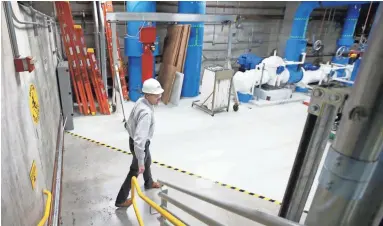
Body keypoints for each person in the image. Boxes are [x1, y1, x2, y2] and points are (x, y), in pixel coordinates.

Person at [115, 78, 164, 208]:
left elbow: (129, 123)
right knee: (135, 171)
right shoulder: (146, 113)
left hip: (135, 141)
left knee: (148, 160)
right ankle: (120, 200)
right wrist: (140, 161)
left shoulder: (141, 101)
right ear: (147, 95)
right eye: (156, 95)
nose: (159, 97)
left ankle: (149, 182)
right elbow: (139, 141)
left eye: (160, 94)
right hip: (139, 145)